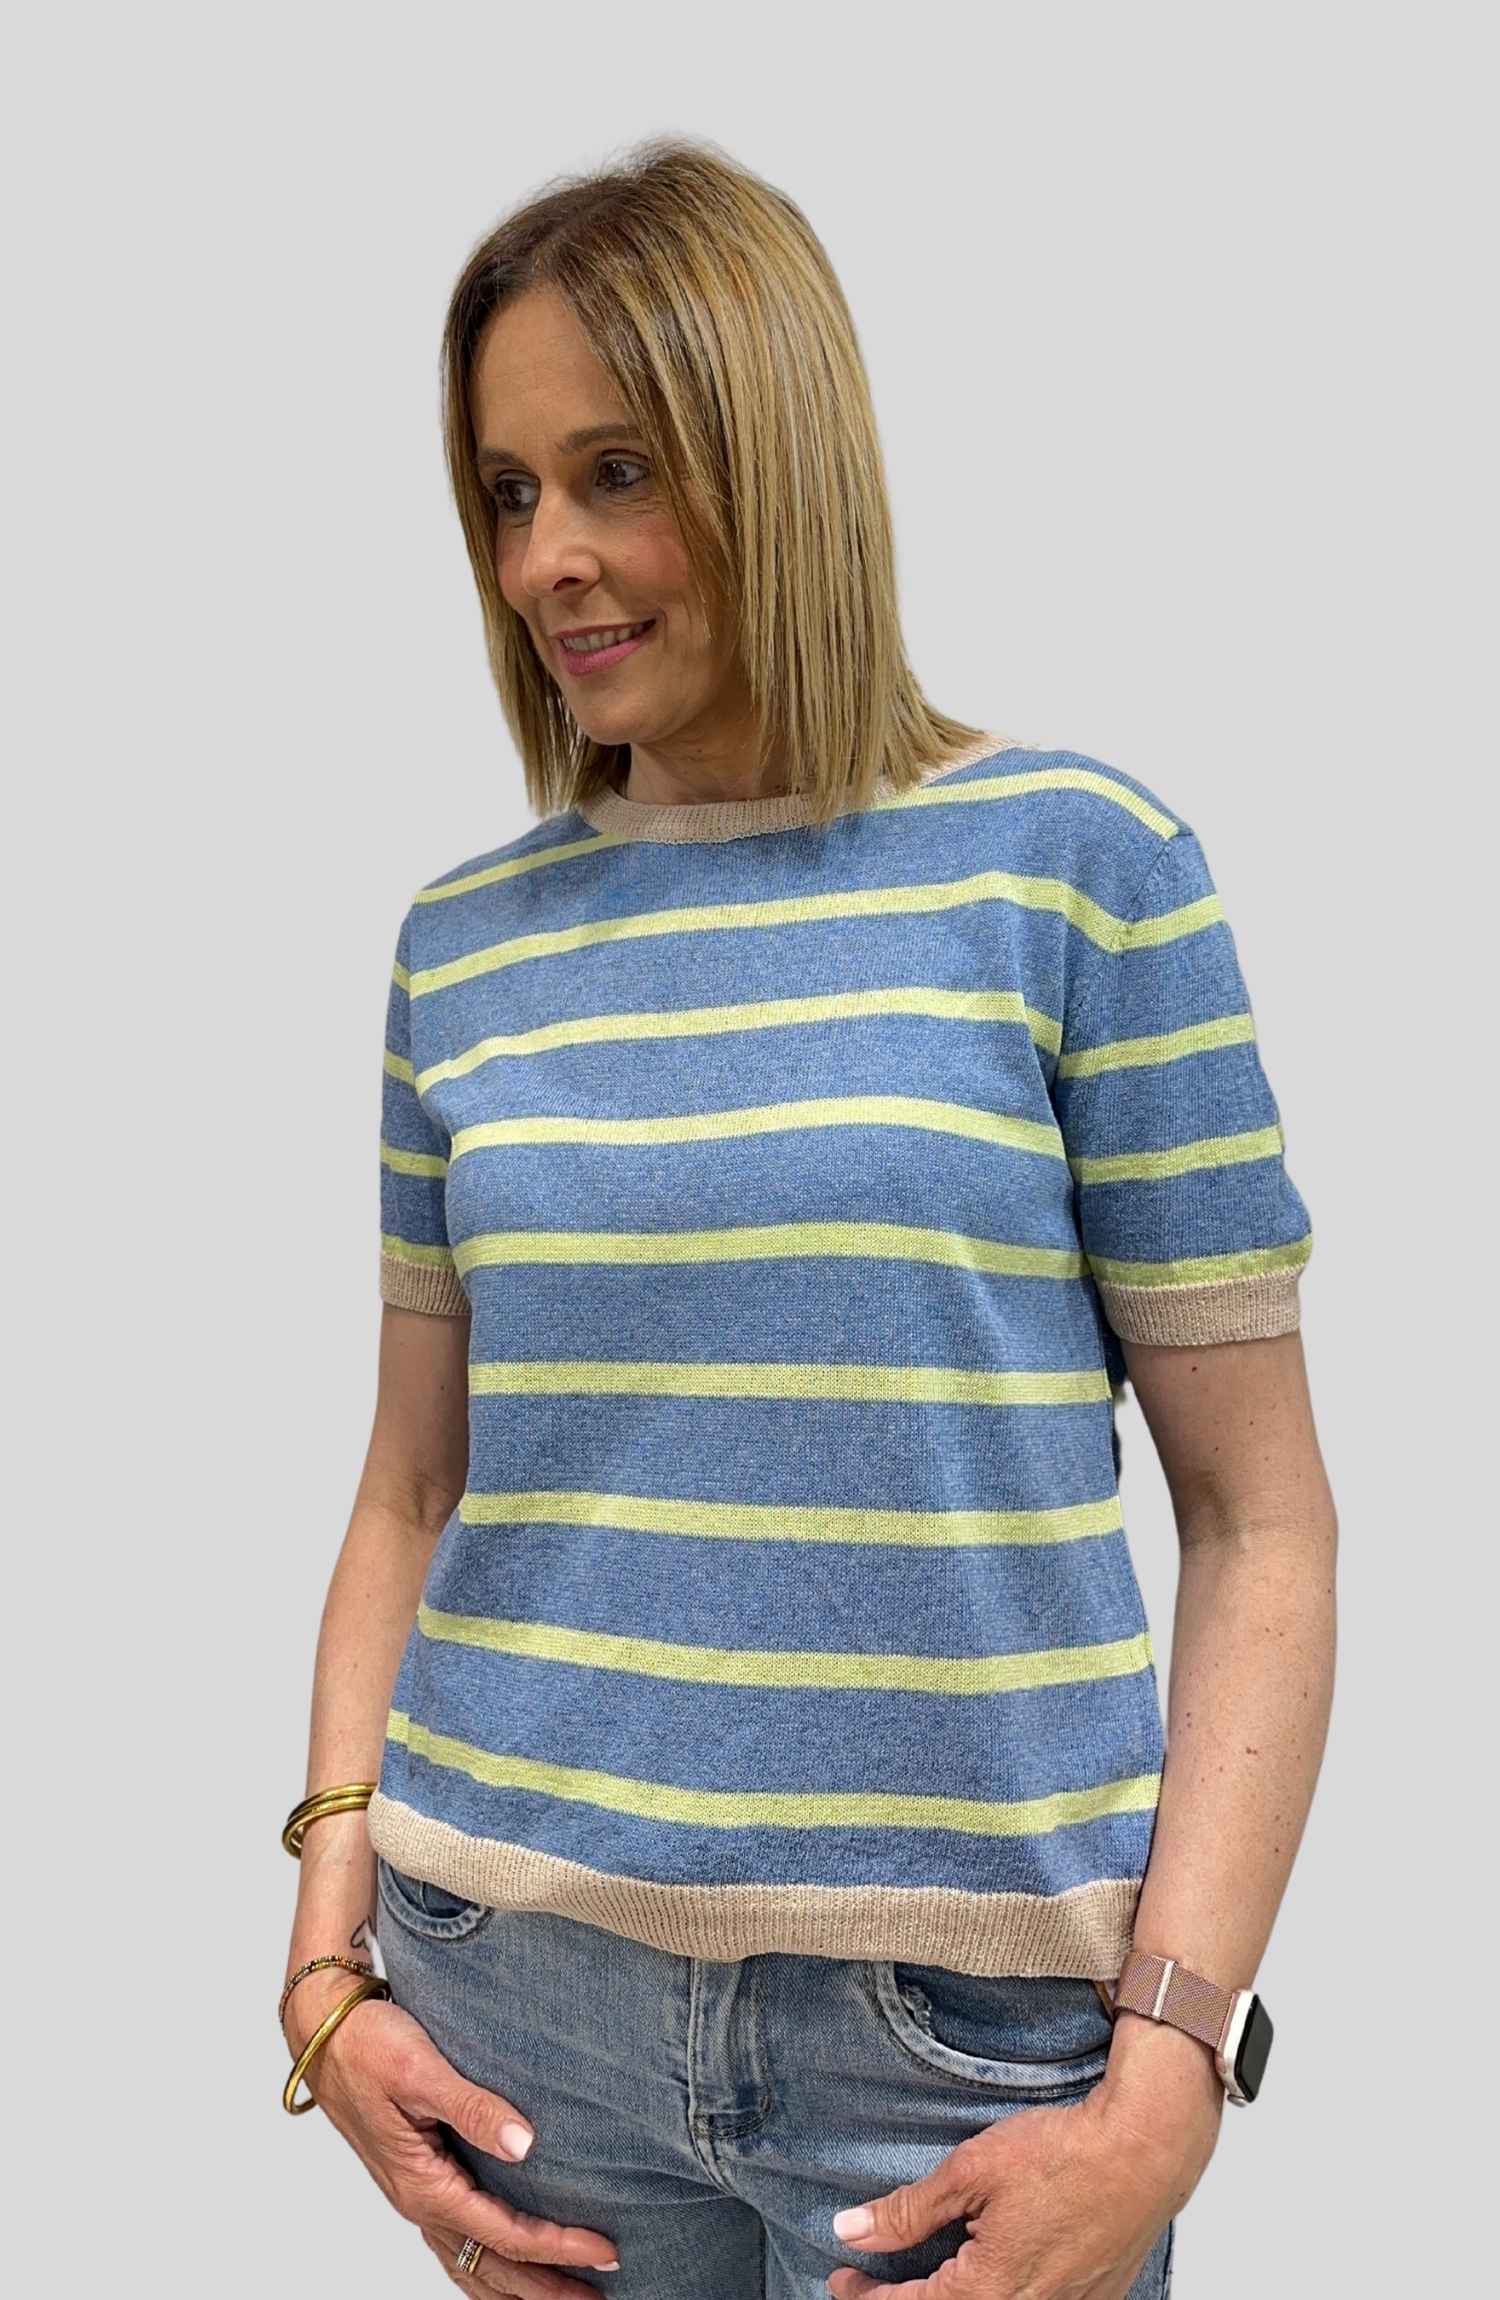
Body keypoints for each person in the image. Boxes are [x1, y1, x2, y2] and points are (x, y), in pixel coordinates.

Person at [278, 135, 1337, 2300]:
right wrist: (322, 1959)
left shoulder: (1080, 869)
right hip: (517, 2012)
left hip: (960, 2056)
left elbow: (1264, 1521)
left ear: (778, 454)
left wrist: (1173, 2067)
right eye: (506, 491)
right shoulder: (462, 947)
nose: (549, 560)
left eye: (616, 474)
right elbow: (412, 1488)